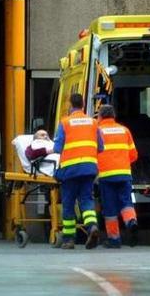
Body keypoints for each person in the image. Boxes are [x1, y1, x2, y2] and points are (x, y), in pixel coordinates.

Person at [53, 93, 104, 250]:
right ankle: (92, 227)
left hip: (70, 170)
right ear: (83, 105)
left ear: (70, 105)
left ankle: (69, 240)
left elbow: (57, 148)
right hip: (89, 168)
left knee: (68, 204)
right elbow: (100, 147)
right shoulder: (93, 122)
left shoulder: (65, 122)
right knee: (86, 201)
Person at [96, 104, 140, 248]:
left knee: (110, 208)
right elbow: (134, 155)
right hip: (124, 174)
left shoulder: (98, 131)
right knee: (126, 202)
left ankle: (114, 239)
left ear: (100, 116)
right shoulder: (124, 130)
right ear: (114, 116)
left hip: (106, 175)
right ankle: (131, 221)